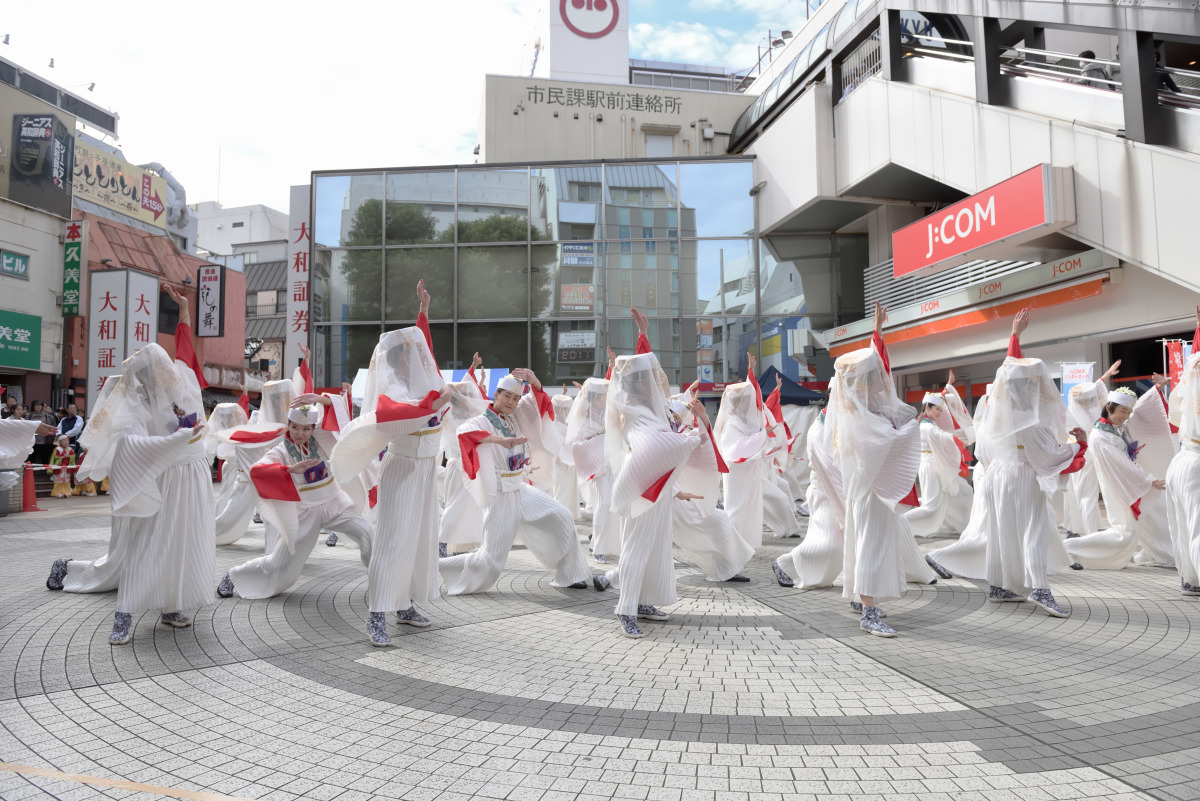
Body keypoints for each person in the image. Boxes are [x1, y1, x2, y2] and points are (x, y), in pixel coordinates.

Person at [75, 283, 215, 645]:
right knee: (151, 544)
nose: (164, 372)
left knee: (185, 542)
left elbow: (185, 343)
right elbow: (132, 445)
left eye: (162, 365)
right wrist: (174, 441)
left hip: (194, 476)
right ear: (144, 377)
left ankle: (172, 606)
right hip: (163, 476)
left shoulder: (185, 376)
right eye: (154, 369)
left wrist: (184, 309)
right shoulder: (136, 404)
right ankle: (124, 613)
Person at [330, 280, 449, 646]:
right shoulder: (391, 386)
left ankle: (404, 604)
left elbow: (427, 358)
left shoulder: (426, 379)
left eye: (417, 349)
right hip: (404, 466)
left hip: (428, 467)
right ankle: (377, 612)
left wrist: (424, 313)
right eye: (409, 350)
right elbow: (396, 412)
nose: (417, 353)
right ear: (396, 358)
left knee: (419, 539)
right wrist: (434, 403)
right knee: (393, 540)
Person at [439, 367, 592, 595]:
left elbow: (539, 405)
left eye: (516, 398)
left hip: (519, 489)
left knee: (563, 516)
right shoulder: (482, 420)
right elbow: (464, 434)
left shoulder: (514, 417)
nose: (512, 401)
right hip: (500, 495)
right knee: (490, 562)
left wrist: (535, 381)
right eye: (507, 396)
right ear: (496, 395)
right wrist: (499, 441)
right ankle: (433, 568)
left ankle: (570, 574)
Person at [976, 308, 1088, 618]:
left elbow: (983, 450)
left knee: (1002, 529)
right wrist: (1078, 444)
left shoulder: (994, 411)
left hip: (997, 473)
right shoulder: (1032, 418)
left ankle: (999, 585)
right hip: (1022, 473)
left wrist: (1015, 336)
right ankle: (1040, 587)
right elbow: (1049, 457)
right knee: (1034, 529)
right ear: (1030, 386)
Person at [822, 302, 921, 637]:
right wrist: (910, 428)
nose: (881, 381)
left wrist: (878, 331)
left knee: (867, 544)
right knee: (871, 546)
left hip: (867, 492)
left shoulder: (856, 412)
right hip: (871, 492)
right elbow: (884, 441)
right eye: (873, 377)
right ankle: (868, 612)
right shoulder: (858, 418)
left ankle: (863, 600)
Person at [592, 352, 704, 638]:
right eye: (655, 376)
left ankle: (642, 602)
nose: (660, 380)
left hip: (658, 490)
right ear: (643, 385)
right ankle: (625, 608)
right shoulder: (632, 411)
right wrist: (690, 439)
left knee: (656, 549)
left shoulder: (651, 409)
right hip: (643, 492)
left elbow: (668, 426)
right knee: (637, 548)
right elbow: (654, 446)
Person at [216, 402, 374, 602]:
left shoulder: (322, 439)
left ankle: (384, 588)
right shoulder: (281, 451)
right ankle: (233, 575)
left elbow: (336, 414)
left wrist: (319, 397)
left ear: (313, 428)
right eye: (295, 427)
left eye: (306, 428)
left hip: (334, 502)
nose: (300, 433)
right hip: (306, 511)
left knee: (368, 533)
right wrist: (289, 470)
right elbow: (258, 469)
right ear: (288, 425)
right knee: (281, 565)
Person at [1066, 379, 1176, 569]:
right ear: (1109, 408)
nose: (1126, 416)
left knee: (1142, 524)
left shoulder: (1115, 427)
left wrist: (1156, 389)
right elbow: (1121, 465)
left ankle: (1162, 553)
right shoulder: (1100, 435)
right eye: (1123, 411)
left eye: (1128, 412)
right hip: (1118, 487)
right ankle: (1068, 549)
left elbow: (1139, 411)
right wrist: (1149, 481)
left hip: (1127, 483)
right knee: (1124, 533)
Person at [1063, 361, 1122, 538]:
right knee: (1088, 494)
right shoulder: (1094, 414)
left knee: (1078, 493)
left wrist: (1107, 374)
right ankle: (1087, 533)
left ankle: (1079, 528)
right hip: (1090, 452)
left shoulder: (1071, 411)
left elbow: (1092, 389)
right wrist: (1107, 374)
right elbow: (1095, 389)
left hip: (1076, 452)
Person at [905, 386, 973, 538]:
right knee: (931, 506)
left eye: (941, 410)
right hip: (930, 466)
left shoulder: (928, 425)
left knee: (962, 492)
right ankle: (900, 523)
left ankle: (965, 524)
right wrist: (960, 441)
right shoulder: (926, 427)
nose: (939, 413)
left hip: (934, 465)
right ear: (927, 407)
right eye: (937, 409)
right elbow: (943, 438)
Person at [566, 376, 619, 563]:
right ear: (596, 398)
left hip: (613, 467)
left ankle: (606, 544)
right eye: (604, 395)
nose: (608, 397)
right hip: (599, 469)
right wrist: (601, 441)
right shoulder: (585, 417)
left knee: (614, 507)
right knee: (603, 506)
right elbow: (577, 444)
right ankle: (599, 548)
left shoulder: (610, 413)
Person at [436, 376, 489, 557]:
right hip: (460, 466)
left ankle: (458, 546)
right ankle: (441, 543)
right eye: (467, 394)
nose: (470, 397)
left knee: (466, 507)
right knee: (456, 506)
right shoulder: (454, 415)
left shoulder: (456, 414)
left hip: (463, 465)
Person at [1167, 316, 1200, 596]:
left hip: (1182, 460)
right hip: (1196, 463)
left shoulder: (1188, 392)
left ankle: (1190, 579)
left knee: (1185, 523)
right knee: (1197, 526)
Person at [29, 400, 58, 466]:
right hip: (33, 439)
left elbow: (52, 427)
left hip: (45, 439)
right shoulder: (29, 415)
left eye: (40, 405)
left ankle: (45, 472)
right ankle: (30, 471)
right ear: (33, 406)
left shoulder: (48, 416)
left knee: (45, 457)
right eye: (36, 405)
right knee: (32, 457)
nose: (38, 407)